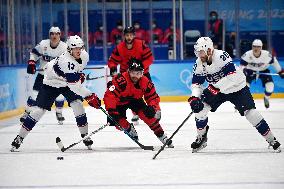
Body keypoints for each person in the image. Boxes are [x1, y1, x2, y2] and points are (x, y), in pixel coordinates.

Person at [188, 37, 281, 153]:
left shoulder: (222, 56)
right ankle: (201, 138)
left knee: (251, 113)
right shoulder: (198, 64)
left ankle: (271, 139)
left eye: (200, 52)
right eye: (197, 52)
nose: (199, 55)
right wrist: (195, 98)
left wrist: (214, 88)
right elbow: (196, 84)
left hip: (237, 88)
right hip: (217, 90)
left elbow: (231, 77)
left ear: (209, 50)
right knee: (200, 111)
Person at [10, 35, 101, 152]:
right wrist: (89, 95)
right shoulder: (65, 60)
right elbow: (75, 86)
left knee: (78, 104)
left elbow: (75, 73)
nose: (78, 50)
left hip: (66, 82)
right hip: (52, 82)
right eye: (75, 48)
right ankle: (19, 137)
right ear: (69, 49)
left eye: (80, 47)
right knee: (38, 111)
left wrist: (79, 76)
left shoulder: (84, 56)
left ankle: (85, 136)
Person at [104, 58, 173, 147]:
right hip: (119, 103)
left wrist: (153, 107)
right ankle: (129, 128)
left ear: (142, 73)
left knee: (149, 116)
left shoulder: (145, 82)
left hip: (135, 100)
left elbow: (153, 97)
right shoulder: (120, 80)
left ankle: (161, 135)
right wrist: (111, 110)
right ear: (128, 71)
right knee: (117, 122)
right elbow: (109, 95)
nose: (135, 76)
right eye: (133, 73)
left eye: (138, 73)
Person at [20, 26, 67, 125]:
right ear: (49, 35)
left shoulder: (64, 47)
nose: (54, 36)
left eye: (57, 34)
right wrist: (32, 62)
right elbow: (34, 53)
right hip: (43, 75)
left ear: (60, 35)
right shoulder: (43, 44)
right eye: (52, 34)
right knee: (34, 95)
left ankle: (59, 113)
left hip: (57, 77)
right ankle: (27, 113)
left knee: (60, 96)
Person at [107, 26, 154, 124]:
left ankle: (154, 109)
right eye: (127, 35)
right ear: (124, 36)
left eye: (131, 35)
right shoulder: (119, 47)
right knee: (130, 95)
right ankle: (135, 113)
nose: (129, 37)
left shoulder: (141, 44)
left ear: (134, 35)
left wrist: (140, 69)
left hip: (142, 74)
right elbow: (112, 61)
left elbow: (149, 59)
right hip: (127, 77)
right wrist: (112, 68)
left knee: (149, 93)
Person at [240, 39, 284, 108]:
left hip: (264, 71)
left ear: (261, 47)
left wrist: (280, 71)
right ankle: (241, 102)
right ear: (252, 47)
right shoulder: (247, 54)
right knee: (245, 87)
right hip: (250, 71)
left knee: (270, 87)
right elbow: (241, 67)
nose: (256, 48)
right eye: (254, 46)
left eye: (258, 47)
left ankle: (266, 98)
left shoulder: (266, 55)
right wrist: (245, 70)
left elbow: (274, 62)